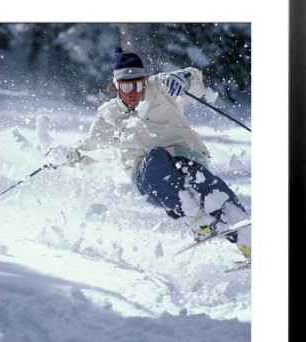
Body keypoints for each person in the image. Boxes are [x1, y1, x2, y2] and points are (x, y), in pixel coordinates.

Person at [45, 47, 251, 261]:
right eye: (126, 86)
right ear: (116, 86)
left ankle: (249, 241)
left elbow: (195, 81)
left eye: (138, 84)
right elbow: (87, 148)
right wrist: (68, 156)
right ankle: (194, 217)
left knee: (211, 189)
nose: (133, 92)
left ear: (145, 81)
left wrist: (182, 81)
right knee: (156, 157)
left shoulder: (160, 88)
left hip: (185, 158)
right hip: (148, 178)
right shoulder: (109, 116)